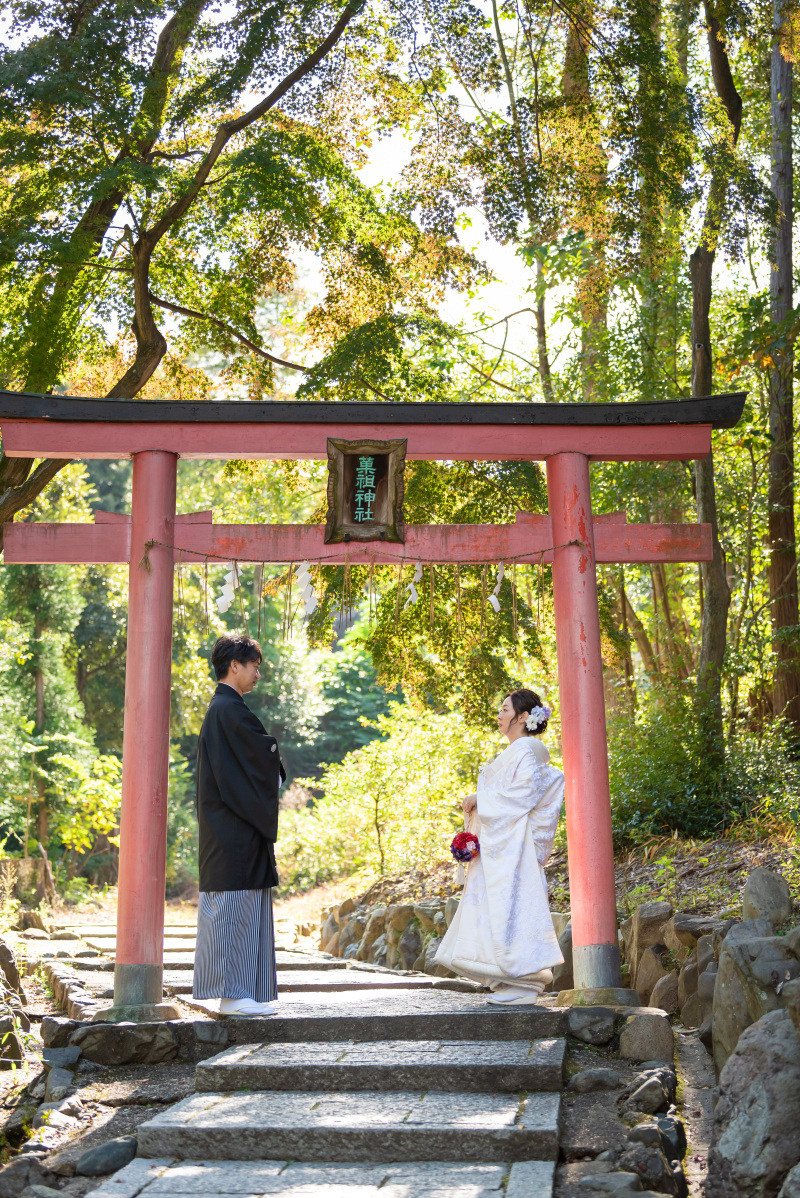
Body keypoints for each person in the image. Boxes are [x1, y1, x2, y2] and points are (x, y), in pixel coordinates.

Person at [435, 688, 565, 1005]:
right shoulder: (519, 752)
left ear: (523, 717)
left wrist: (481, 799)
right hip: (501, 846)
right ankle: (509, 978)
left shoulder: (526, 751)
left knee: (513, 908)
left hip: (512, 849)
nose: (499, 714)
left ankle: (525, 979)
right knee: (500, 910)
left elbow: (523, 795)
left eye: (505, 709)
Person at [192, 634, 285, 1017]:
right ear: (235, 665)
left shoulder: (223, 710)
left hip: (229, 829)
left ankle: (242, 991)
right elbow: (262, 764)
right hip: (234, 832)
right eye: (254, 665)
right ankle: (233, 994)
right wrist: (273, 765)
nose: (257, 673)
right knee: (233, 910)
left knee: (239, 909)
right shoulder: (230, 711)